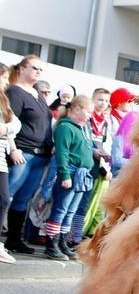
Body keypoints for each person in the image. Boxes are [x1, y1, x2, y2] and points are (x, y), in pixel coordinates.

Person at [5, 55, 53, 254]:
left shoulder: (36, 93)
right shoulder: (15, 92)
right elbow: (9, 121)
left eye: (41, 69)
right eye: (35, 68)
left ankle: (13, 239)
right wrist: (13, 148)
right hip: (23, 152)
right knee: (6, 195)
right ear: (23, 68)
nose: (38, 72)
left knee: (23, 199)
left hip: (40, 155)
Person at [44, 95, 94, 261]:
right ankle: (51, 243)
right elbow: (62, 153)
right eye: (88, 111)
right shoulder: (66, 127)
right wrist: (65, 175)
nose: (90, 115)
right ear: (77, 109)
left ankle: (63, 241)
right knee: (61, 208)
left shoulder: (83, 127)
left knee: (71, 210)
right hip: (71, 172)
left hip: (81, 174)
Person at [70, 88, 112, 246]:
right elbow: (86, 143)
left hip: (98, 165)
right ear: (92, 100)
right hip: (84, 163)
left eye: (106, 101)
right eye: (100, 100)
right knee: (77, 200)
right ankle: (71, 235)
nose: (103, 103)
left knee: (89, 202)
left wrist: (105, 164)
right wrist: (95, 151)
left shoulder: (105, 122)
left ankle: (77, 234)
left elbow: (105, 144)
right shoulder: (86, 119)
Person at [0, 63, 21, 264]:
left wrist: (6, 130)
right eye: (4, 78)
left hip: (1, 158)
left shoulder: (3, 100)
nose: (7, 82)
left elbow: (16, 124)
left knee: (4, 199)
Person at [110, 110, 137, 177]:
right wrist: (136, 162)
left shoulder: (136, 140)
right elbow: (116, 160)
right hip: (118, 176)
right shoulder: (119, 139)